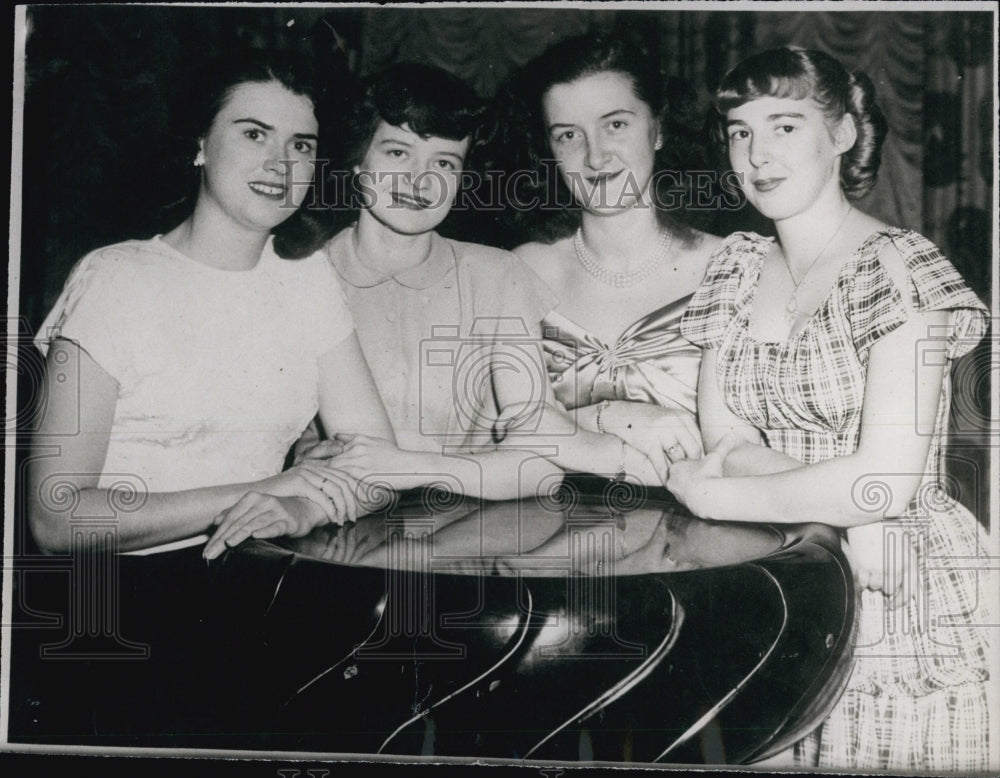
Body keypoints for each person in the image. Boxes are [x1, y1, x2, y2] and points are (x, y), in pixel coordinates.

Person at [670, 47, 992, 770]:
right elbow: (724, 434)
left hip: (900, 585)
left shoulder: (900, 268)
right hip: (780, 565)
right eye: (739, 131)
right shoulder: (738, 267)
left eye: (784, 126)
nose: (756, 153)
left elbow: (888, 478)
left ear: (843, 133)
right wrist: (848, 511)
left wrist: (723, 493)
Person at [203, 63, 671, 555]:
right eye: (398, 152)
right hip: (327, 537)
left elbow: (542, 467)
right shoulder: (295, 274)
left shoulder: (497, 275)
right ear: (358, 160)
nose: (420, 180)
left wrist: (406, 464)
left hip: (474, 547)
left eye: (445, 163)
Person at [29, 48, 395, 559]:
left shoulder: (306, 275)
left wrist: (303, 508)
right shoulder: (115, 278)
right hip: (116, 595)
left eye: (301, 145)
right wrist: (267, 489)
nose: (280, 163)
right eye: (254, 134)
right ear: (199, 143)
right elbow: (56, 518)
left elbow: (379, 465)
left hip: (258, 577)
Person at [494, 31, 722, 480]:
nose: (595, 156)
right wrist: (612, 417)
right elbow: (505, 428)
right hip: (550, 528)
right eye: (567, 135)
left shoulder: (727, 266)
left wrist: (565, 426)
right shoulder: (520, 268)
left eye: (615, 125)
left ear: (658, 129)